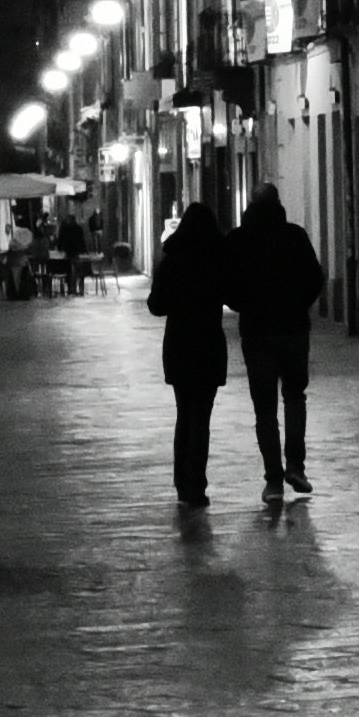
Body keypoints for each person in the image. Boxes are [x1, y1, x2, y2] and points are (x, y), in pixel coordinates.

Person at [226, 181, 327, 502]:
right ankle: (295, 466)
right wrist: (297, 304)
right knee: (295, 397)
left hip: (257, 332)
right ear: (279, 203)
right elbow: (315, 278)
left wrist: (246, 304)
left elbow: (227, 286)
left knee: (264, 409)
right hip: (294, 329)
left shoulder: (239, 240)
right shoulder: (295, 236)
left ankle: (273, 480)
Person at [145, 189, 238, 513]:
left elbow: (156, 306)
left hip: (179, 345)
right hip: (208, 345)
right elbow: (234, 297)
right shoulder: (217, 260)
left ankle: (182, 483)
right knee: (202, 418)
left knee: (184, 415)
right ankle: (197, 483)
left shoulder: (172, 261)